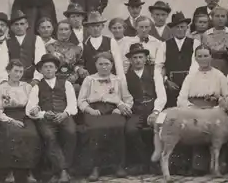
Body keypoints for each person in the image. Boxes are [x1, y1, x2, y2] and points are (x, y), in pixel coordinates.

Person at [77, 52, 133, 181]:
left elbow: (128, 99)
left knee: (117, 126)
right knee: (96, 129)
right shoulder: (89, 80)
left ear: (112, 65)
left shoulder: (118, 80)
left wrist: (121, 108)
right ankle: (96, 166)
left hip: (114, 109)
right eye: (100, 64)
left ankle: (118, 165)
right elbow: (81, 100)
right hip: (94, 109)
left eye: (107, 64)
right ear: (95, 65)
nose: (104, 67)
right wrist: (89, 110)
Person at [176, 45, 228, 173]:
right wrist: (193, 108)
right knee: (194, 127)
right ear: (195, 58)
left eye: (206, 55)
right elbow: (181, 98)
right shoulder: (190, 76)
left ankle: (217, 162)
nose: (203, 59)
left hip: (214, 112)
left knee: (214, 128)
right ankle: (197, 163)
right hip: (195, 111)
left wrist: (217, 104)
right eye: (199, 56)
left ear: (211, 57)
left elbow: (227, 97)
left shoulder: (219, 75)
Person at [0, 59, 41, 183]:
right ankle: (10, 170)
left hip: (25, 115)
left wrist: (35, 109)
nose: (18, 74)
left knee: (32, 134)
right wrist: (10, 120)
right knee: (13, 134)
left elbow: (33, 103)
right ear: (8, 71)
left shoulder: (27, 87)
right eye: (15, 71)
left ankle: (27, 171)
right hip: (6, 115)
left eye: (21, 71)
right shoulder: (0, 88)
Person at [27, 54, 78, 183]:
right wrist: (43, 114)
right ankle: (63, 172)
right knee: (49, 136)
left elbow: (73, 104)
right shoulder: (37, 87)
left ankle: (60, 171)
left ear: (56, 69)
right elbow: (30, 108)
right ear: (41, 70)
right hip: (46, 119)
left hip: (64, 116)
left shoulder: (66, 83)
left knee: (70, 133)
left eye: (51, 67)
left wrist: (65, 114)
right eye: (45, 67)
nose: (48, 69)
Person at [124, 43, 166, 174]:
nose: (137, 60)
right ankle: (144, 162)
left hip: (154, 108)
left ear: (145, 58)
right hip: (136, 110)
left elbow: (162, 96)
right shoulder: (125, 75)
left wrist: (155, 112)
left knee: (160, 127)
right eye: (134, 57)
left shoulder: (154, 72)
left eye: (140, 57)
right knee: (131, 130)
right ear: (130, 60)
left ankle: (157, 162)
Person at [155, 12, 200, 108]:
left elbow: (196, 64)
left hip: (190, 84)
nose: (180, 29)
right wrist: (166, 81)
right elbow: (158, 67)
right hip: (171, 85)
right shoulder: (164, 45)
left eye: (182, 27)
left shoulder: (195, 43)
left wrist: (189, 81)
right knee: (171, 111)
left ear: (187, 28)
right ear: (172, 29)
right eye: (177, 27)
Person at [0, 10, 47, 85]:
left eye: (22, 24)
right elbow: (1, 65)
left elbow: (40, 62)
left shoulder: (36, 39)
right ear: (12, 27)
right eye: (16, 24)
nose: (19, 27)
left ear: (27, 25)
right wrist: (4, 81)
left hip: (32, 80)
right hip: (11, 81)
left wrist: (36, 79)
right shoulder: (6, 43)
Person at [81, 12, 125, 82]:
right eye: (92, 26)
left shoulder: (111, 41)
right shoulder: (83, 44)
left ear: (102, 26)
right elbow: (81, 64)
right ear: (88, 28)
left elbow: (118, 64)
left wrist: (121, 82)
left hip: (109, 81)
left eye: (98, 26)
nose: (95, 29)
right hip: (91, 82)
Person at [45, 20, 85, 92]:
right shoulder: (49, 47)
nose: (63, 32)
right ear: (57, 31)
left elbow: (79, 64)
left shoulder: (77, 48)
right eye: (61, 29)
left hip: (71, 81)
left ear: (70, 32)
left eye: (66, 29)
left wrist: (75, 75)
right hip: (53, 81)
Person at [202, 6, 228, 75]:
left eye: (223, 16)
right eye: (217, 16)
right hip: (212, 66)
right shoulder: (206, 34)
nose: (220, 19)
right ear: (212, 18)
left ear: (227, 19)